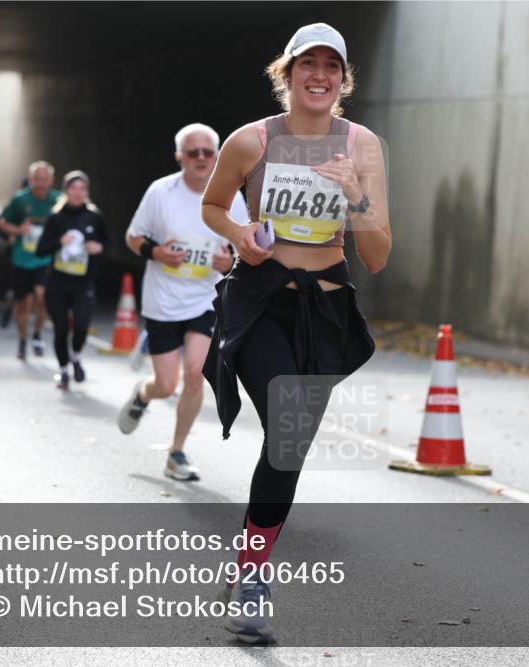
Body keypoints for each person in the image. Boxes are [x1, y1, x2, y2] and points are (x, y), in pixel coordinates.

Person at [200, 23, 390, 643]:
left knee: (291, 444)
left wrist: (357, 197)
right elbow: (213, 206)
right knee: (286, 426)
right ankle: (253, 581)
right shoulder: (251, 141)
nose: (319, 76)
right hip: (260, 304)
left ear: (343, 78)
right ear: (287, 74)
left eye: (330, 67)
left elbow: (381, 255)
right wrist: (240, 239)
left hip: (325, 310)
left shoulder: (362, 146)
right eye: (307, 64)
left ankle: (247, 566)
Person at [118, 123, 246, 482]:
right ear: (180, 157)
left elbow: (246, 246)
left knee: (195, 373)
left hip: (207, 299)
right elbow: (132, 237)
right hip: (162, 300)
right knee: (166, 384)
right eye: (194, 152)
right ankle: (144, 393)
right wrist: (155, 252)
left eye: (208, 151)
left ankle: (176, 452)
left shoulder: (233, 197)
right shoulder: (161, 192)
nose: (202, 158)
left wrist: (231, 260)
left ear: (217, 155)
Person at [35, 171, 109, 389]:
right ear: (66, 190)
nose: (77, 193)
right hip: (57, 282)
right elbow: (40, 250)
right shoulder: (56, 218)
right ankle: (64, 370)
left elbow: (108, 244)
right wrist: (59, 241)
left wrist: (99, 247)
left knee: (81, 326)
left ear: (87, 192)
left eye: (82, 189)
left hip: (83, 282)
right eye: (73, 188)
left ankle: (75, 355)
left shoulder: (95, 217)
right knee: (60, 329)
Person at [0, 162, 59, 359]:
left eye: (45, 179)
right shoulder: (20, 199)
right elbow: (2, 223)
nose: (41, 183)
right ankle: (23, 339)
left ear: (51, 180)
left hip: (45, 258)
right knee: (24, 303)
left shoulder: (58, 200)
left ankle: (38, 333)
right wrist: (17, 230)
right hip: (22, 258)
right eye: (37, 179)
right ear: (32, 180)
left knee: (42, 297)